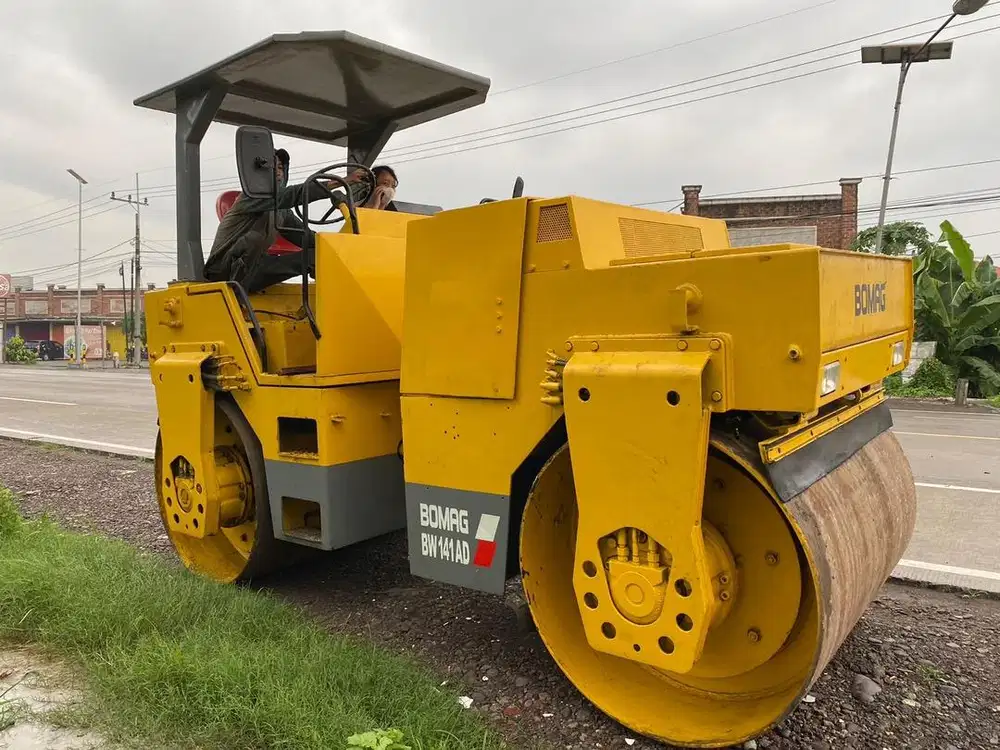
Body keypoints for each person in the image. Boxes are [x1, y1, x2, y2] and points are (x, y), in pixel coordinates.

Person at [204, 149, 371, 294]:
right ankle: (235, 293)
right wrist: (341, 182)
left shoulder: (282, 213)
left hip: (254, 269)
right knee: (253, 239)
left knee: (315, 255)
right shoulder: (250, 198)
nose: (278, 172)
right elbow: (293, 195)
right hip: (224, 271)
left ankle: (339, 300)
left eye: (280, 168)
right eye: (272, 168)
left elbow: (305, 237)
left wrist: (336, 247)